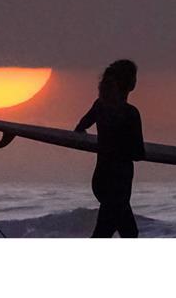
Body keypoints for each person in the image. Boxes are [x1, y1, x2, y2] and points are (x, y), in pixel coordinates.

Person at [74, 59, 145, 237]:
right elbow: (138, 153)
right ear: (130, 83)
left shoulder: (100, 106)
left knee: (123, 232)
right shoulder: (130, 113)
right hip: (118, 183)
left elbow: (80, 128)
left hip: (100, 180)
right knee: (116, 233)